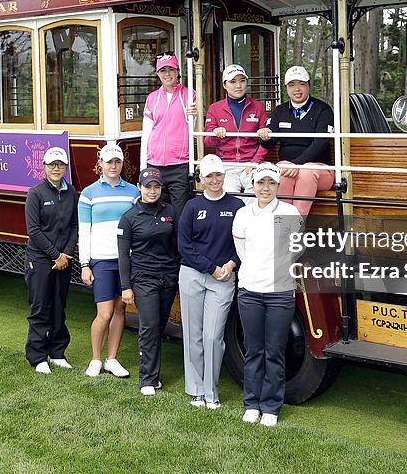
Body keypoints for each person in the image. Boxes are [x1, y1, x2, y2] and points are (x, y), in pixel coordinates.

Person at [231, 162, 304, 427]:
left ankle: (271, 407)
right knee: (253, 350)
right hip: (249, 291)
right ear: (253, 185)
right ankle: (251, 404)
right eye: (261, 183)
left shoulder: (290, 212)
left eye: (271, 183)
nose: (265, 188)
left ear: (278, 186)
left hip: (280, 293)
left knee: (274, 350)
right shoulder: (243, 215)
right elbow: (242, 251)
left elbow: (295, 249)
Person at [177, 154, 244, 409]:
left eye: (218, 175)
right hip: (194, 275)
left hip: (223, 278)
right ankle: (196, 390)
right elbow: (184, 245)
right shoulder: (192, 207)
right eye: (209, 176)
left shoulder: (237, 206)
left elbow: (243, 242)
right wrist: (211, 268)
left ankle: (211, 391)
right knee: (193, 334)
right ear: (201, 179)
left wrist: (231, 263)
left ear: (224, 176)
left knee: (213, 336)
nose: (214, 180)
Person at [78, 143, 140, 378]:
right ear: (100, 164)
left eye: (117, 162)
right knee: (104, 313)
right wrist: (85, 264)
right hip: (101, 260)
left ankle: (111, 359)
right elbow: (84, 231)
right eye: (109, 162)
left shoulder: (133, 192)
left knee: (119, 310)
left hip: (125, 260)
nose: (113, 166)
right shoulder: (89, 194)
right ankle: (95, 359)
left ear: (122, 163)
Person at [117, 167, 180, 396]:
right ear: (139, 188)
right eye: (148, 187)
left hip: (168, 277)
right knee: (149, 326)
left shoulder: (170, 211)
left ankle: (154, 375)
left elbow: (176, 245)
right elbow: (123, 255)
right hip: (144, 279)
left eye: (156, 187)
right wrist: (126, 286)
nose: (152, 191)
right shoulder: (129, 218)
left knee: (159, 327)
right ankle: (147, 379)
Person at [23, 146, 79, 374]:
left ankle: (57, 353)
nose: (56, 168)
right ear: (44, 167)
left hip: (64, 259)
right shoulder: (35, 193)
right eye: (52, 164)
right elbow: (33, 231)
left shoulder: (71, 192)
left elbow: (75, 225)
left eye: (60, 164)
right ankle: (37, 357)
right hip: (41, 259)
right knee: (40, 307)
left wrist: (65, 254)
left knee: (59, 307)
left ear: (66, 167)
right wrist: (55, 255)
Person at [257, 65, 335, 218]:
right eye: (292, 85)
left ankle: (295, 227)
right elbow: (268, 142)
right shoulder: (280, 111)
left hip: (320, 169)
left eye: (302, 84)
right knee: (281, 169)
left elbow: (321, 142)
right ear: (286, 88)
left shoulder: (323, 110)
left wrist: (298, 164)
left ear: (309, 86)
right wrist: (264, 136)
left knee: (306, 172)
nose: (297, 89)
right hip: (290, 166)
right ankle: (283, 225)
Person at [140, 53, 196, 223]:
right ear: (157, 74)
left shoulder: (189, 94)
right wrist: (144, 166)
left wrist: (193, 116)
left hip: (179, 165)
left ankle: (178, 249)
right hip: (155, 165)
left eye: (171, 69)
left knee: (178, 214)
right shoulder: (152, 99)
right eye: (163, 70)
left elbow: (192, 128)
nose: (167, 74)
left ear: (178, 71)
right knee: (157, 214)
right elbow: (146, 134)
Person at [203, 64, 268, 195]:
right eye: (233, 82)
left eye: (242, 81)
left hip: (251, 165)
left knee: (257, 192)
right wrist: (215, 134)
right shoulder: (214, 108)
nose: (238, 86)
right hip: (226, 165)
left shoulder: (258, 107)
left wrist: (255, 162)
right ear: (224, 85)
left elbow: (267, 141)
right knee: (229, 198)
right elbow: (207, 142)